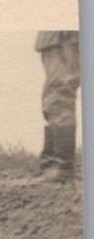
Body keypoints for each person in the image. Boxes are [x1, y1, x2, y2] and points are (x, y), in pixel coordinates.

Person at [35, 31, 81, 183]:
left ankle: (62, 167)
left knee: (58, 95)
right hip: (55, 37)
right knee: (53, 98)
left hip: (62, 37)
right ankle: (51, 164)